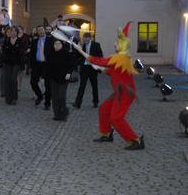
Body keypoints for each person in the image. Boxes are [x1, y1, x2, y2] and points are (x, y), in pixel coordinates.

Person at [70, 22, 145, 150]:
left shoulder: (120, 58)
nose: (114, 44)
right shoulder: (120, 58)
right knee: (104, 108)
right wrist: (100, 68)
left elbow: (98, 60)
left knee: (116, 118)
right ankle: (106, 134)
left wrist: (80, 50)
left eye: (116, 42)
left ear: (122, 45)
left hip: (125, 93)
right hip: (119, 92)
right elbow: (111, 71)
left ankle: (135, 140)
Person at [72, 32, 103, 109]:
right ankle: (77, 103)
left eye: (87, 38)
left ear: (90, 38)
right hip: (84, 68)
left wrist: (99, 67)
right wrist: (78, 49)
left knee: (94, 86)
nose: (85, 39)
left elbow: (100, 56)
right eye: (84, 38)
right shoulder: (82, 45)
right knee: (82, 86)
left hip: (93, 68)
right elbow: (77, 56)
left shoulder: (96, 45)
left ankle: (95, 102)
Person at [47, 39, 74, 121]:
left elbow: (71, 64)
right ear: (53, 45)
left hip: (64, 78)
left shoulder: (66, 53)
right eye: (55, 43)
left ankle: (64, 113)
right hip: (53, 78)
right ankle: (57, 115)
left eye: (59, 43)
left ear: (62, 45)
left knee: (61, 96)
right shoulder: (50, 53)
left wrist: (69, 73)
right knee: (54, 97)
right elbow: (47, 66)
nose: (57, 45)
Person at [0, 26, 26, 105]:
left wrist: (22, 65)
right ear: (10, 32)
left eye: (15, 31)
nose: (13, 32)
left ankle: (14, 98)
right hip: (7, 63)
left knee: (13, 79)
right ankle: (8, 98)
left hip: (16, 63)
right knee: (8, 80)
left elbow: (22, 54)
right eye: (12, 31)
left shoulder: (20, 41)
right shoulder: (6, 40)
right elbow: (3, 52)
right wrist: (1, 62)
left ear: (17, 32)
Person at [30, 26, 53, 109]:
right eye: (39, 30)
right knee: (33, 82)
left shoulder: (51, 40)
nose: (41, 31)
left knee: (48, 84)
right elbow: (32, 54)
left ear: (44, 30)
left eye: (42, 30)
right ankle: (40, 96)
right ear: (37, 32)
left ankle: (47, 104)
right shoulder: (35, 41)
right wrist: (31, 65)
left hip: (47, 64)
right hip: (37, 64)